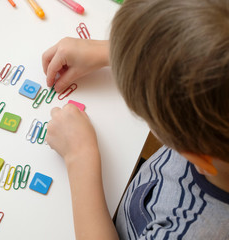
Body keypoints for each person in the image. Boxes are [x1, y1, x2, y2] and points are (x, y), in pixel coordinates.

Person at [41, 0, 229, 239]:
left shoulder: (190, 231)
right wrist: (119, 52)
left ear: (197, 157)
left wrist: (80, 157)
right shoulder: (213, 138)